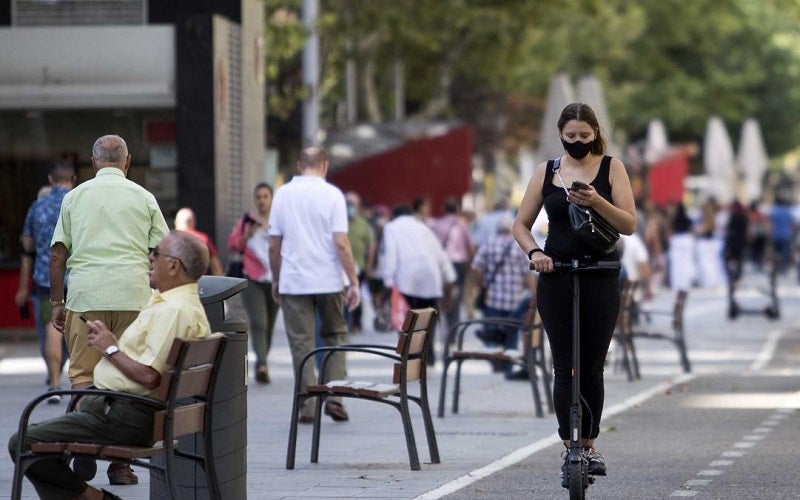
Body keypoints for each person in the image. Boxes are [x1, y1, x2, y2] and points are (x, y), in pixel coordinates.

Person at [9, 230, 212, 500]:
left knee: (22, 441)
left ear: (173, 265)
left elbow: (150, 377)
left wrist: (110, 348)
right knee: (38, 440)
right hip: (128, 410)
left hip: (125, 415)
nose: (150, 258)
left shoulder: (173, 310)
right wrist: (110, 344)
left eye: (156, 253)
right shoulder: (179, 304)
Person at [512, 102, 636, 483]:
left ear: (596, 133)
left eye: (585, 136)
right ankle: (570, 445)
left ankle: (591, 444)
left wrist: (597, 201)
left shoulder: (612, 167)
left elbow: (629, 223)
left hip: (600, 273)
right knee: (564, 365)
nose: (579, 142)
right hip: (557, 274)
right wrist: (536, 253)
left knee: (593, 364)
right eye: (571, 137)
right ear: (560, 136)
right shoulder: (547, 171)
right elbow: (520, 224)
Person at [49, 134, 170, 486]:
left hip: (86, 299)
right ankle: (120, 465)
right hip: (134, 297)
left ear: (93, 162)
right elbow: (162, 250)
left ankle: (86, 449)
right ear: (127, 161)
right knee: (126, 381)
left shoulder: (74, 197)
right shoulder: (144, 197)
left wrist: (58, 302)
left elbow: (58, 255)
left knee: (85, 379)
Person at [268, 147, 360, 423]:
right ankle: (334, 397)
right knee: (334, 337)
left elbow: (274, 244)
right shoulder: (333, 195)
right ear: (325, 165)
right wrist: (353, 280)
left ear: (299, 165)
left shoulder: (283, 194)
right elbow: (341, 244)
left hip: (294, 281)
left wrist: (276, 277)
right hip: (329, 280)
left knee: (301, 344)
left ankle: (307, 406)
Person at [14, 162, 75, 404]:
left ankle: (55, 384)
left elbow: (27, 245)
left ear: (50, 179)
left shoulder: (37, 206)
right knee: (81, 329)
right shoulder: (78, 204)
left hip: (46, 278)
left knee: (52, 330)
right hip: (78, 276)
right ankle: (85, 384)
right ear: (73, 179)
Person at [380, 204, 456, 365]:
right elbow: (439, 253)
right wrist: (449, 277)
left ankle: (412, 356)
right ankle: (428, 356)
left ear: (394, 215)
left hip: (407, 279)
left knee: (409, 321)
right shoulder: (423, 227)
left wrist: (388, 282)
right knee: (428, 319)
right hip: (431, 277)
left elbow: (391, 255)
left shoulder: (391, 228)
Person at [227, 182, 279, 384]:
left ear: (272, 198)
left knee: (270, 324)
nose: (262, 201)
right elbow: (233, 246)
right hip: (253, 277)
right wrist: (248, 232)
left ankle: (262, 358)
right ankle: (262, 364)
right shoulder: (247, 221)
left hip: (275, 278)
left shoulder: (279, 221)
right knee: (259, 322)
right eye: (258, 197)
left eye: (266, 197)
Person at [469, 214, 536, 370]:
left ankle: (496, 364)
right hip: (514, 299)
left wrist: (481, 286)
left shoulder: (489, 244)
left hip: (492, 298)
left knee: (492, 331)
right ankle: (508, 366)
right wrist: (532, 292)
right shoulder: (518, 246)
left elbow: (476, 268)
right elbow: (529, 273)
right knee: (511, 333)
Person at [429, 197, 476, 339]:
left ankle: (441, 326)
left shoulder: (436, 224)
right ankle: (452, 331)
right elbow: (471, 247)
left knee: (440, 296)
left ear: (443, 209)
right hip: (458, 265)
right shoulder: (462, 226)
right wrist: (470, 264)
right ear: (457, 210)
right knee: (456, 298)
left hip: (440, 265)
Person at [345, 191, 376, 334]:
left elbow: (371, 246)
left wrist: (369, 266)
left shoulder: (363, 224)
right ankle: (344, 322)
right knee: (343, 296)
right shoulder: (340, 220)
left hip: (359, 266)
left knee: (356, 295)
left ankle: (356, 324)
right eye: (348, 204)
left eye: (352, 204)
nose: (350, 207)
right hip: (342, 266)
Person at [174, 207, 223, 275]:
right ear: (193, 222)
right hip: (199, 282)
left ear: (175, 222)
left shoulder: (168, 240)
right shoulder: (203, 239)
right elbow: (216, 267)